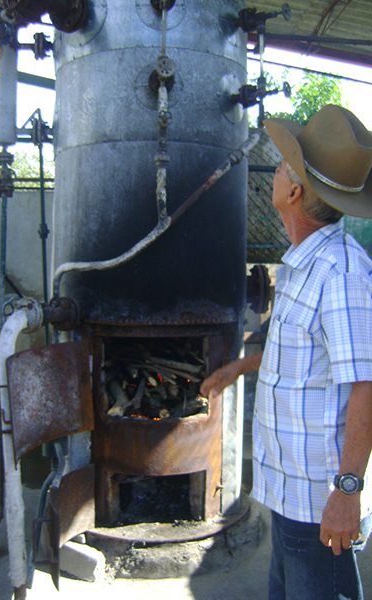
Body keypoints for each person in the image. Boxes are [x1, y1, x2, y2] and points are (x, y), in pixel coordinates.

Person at [200, 104, 372, 600]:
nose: (273, 172)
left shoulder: (341, 276)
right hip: (289, 490)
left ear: (293, 192)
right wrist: (239, 366)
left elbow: (365, 386)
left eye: (279, 167)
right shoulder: (303, 265)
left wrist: (347, 494)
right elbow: (306, 355)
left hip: (320, 500)